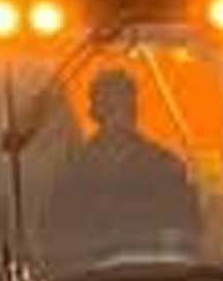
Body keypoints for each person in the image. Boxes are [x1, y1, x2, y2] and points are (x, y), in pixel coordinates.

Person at [42, 70, 201, 260]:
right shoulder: (73, 172)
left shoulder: (165, 167)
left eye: (123, 106)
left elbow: (187, 234)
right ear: (94, 113)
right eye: (109, 107)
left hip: (156, 280)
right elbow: (56, 237)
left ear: (134, 110)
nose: (117, 116)